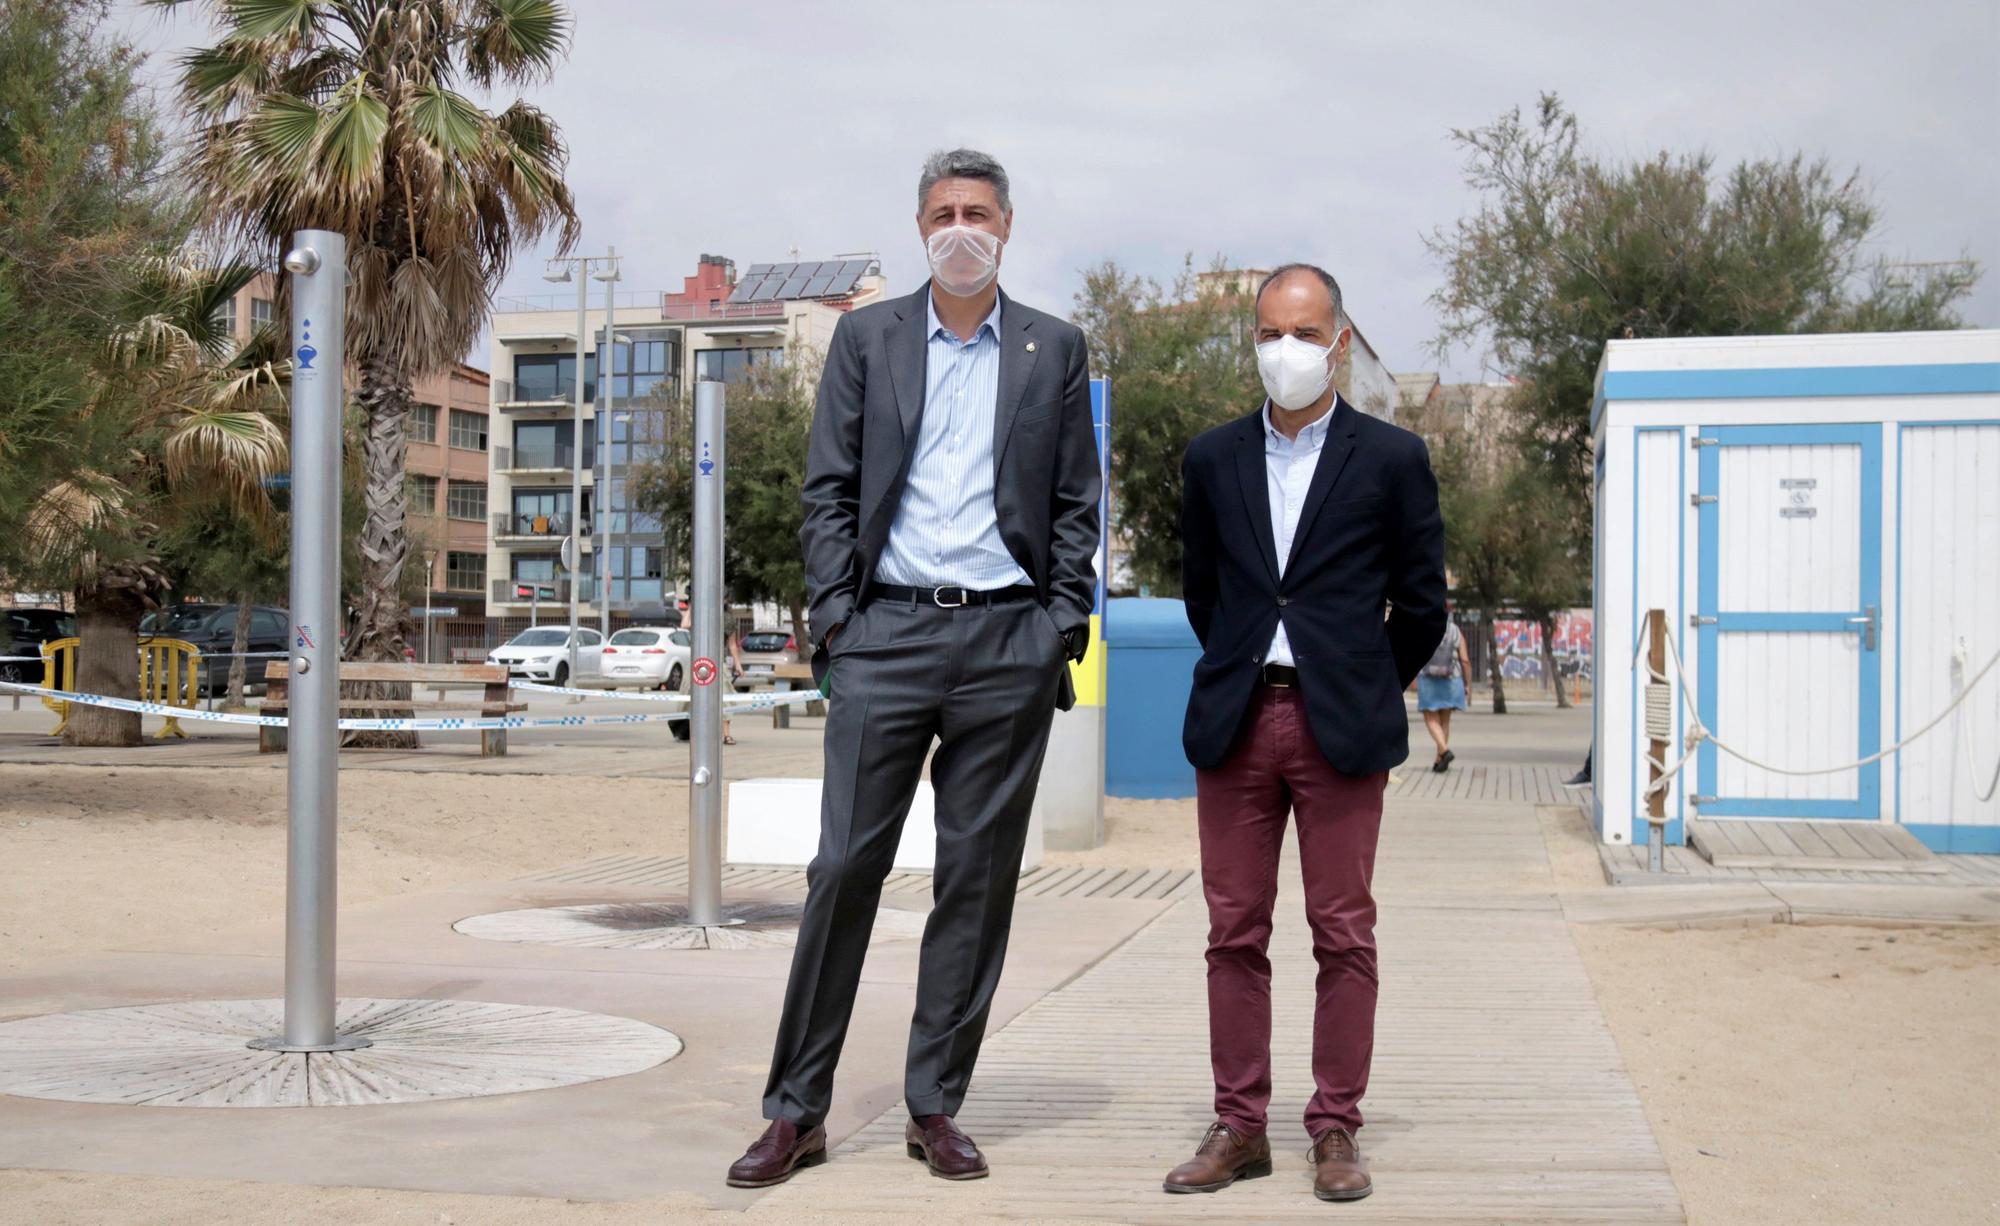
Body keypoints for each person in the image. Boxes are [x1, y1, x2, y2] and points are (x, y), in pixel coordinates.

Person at [726, 148, 1099, 1189]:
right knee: (842, 866)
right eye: (942, 211)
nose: (959, 227)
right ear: (918, 226)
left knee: (973, 883)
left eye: (977, 211)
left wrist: (1057, 626)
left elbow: (1076, 503)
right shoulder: (866, 337)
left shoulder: (1052, 347)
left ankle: (933, 1101)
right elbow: (826, 491)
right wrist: (837, 620)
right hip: (883, 634)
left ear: (1008, 227)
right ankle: (794, 1109)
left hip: (1005, 644)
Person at [1167, 264, 1445, 1204]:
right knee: (1233, 931)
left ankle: (1336, 1127)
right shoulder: (1212, 458)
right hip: (1239, 720)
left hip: (1341, 728)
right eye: (1268, 333)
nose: (1285, 350)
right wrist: (1252, 661)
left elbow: (1422, 602)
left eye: (1303, 332)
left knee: (1344, 933)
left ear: (1338, 341)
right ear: (1255, 340)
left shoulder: (1393, 458)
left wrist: (1361, 680)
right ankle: (1240, 1124)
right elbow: (1204, 591)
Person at [1416, 609, 1472, 771]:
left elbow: (1415, 651)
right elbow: (1465, 660)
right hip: (1451, 679)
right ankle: (1439, 760)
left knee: (1430, 718)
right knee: (1445, 720)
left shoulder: (1424, 627)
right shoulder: (1455, 630)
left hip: (1428, 678)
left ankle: (1444, 751)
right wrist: (1467, 684)